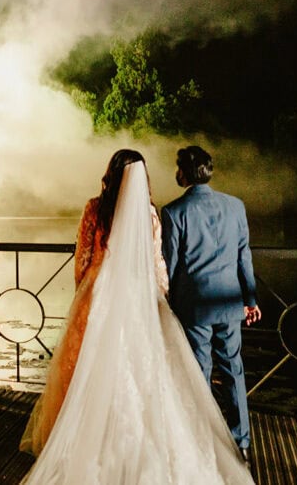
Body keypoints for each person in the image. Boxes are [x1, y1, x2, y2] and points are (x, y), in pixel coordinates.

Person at [19, 149, 252, 484]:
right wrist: (161, 299)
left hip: (98, 300)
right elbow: (158, 266)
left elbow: (82, 259)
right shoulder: (152, 214)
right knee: (146, 374)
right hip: (144, 302)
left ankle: (84, 440)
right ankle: (214, 442)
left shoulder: (95, 209)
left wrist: (82, 298)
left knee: (90, 373)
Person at [161, 145, 261, 464]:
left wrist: (168, 302)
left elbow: (172, 264)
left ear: (186, 173)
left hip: (195, 305)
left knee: (198, 372)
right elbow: (244, 255)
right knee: (234, 369)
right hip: (230, 301)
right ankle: (241, 440)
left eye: (178, 168)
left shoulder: (174, 212)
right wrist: (251, 299)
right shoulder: (235, 206)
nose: (176, 173)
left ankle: (201, 440)